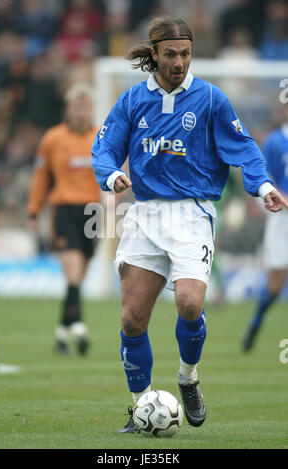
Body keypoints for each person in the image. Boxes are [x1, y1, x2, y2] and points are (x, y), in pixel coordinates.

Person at [91, 16, 288, 432]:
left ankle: (188, 378)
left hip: (192, 214)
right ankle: (141, 406)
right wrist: (110, 176)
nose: (179, 62)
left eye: (185, 54)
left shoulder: (211, 99)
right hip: (144, 214)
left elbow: (244, 147)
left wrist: (263, 184)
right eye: (171, 54)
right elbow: (104, 147)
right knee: (131, 318)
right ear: (155, 54)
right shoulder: (131, 101)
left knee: (189, 304)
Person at [27, 83, 100, 355]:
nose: (81, 113)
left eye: (86, 107)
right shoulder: (53, 139)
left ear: (91, 109)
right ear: (68, 110)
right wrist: (34, 210)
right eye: (76, 107)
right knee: (72, 270)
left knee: (78, 277)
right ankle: (79, 327)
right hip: (63, 210)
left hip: (94, 212)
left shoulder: (101, 138)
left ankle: (61, 334)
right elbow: (40, 177)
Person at [242, 106, 288, 351]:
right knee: (275, 285)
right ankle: (254, 326)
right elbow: (264, 177)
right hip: (282, 219)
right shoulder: (274, 142)